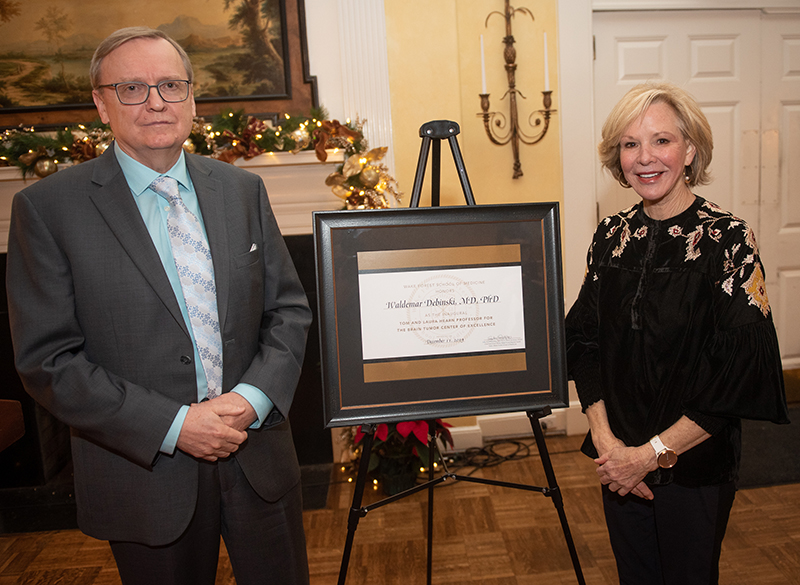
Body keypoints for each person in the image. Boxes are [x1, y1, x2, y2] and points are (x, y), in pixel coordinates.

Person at [6, 27, 313, 585]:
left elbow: (287, 310)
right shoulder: (47, 211)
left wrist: (251, 398)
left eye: (171, 85)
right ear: (101, 103)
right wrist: (175, 425)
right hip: (142, 473)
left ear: (192, 98)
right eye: (131, 88)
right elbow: (48, 361)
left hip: (258, 458)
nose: (155, 102)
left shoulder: (241, 190)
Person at [565, 81, 789, 585]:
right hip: (617, 461)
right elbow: (584, 340)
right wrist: (608, 444)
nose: (645, 157)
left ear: (690, 150)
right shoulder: (611, 236)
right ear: (617, 157)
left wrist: (651, 455)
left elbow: (739, 373)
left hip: (694, 465)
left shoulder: (727, 239)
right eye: (630, 144)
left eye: (661, 141)